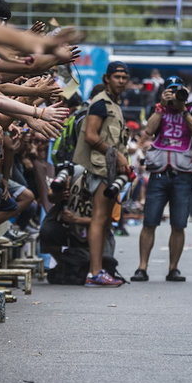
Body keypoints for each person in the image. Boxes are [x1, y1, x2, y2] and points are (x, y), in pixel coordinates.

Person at [132, 76, 192, 282]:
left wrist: (182, 109)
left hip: (183, 174)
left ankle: (173, 268)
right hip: (159, 172)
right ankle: (142, 267)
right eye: (171, 90)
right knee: (149, 222)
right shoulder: (158, 108)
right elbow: (149, 130)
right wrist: (162, 107)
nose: (175, 94)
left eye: (178, 90)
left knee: (179, 224)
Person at [73, 62, 131, 287]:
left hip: (110, 169)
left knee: (104, 220)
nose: (121, 81)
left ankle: (97, 271)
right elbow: (90, 136)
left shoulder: (114, 104)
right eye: (117, 77)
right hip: (100, 168)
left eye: (124, 77)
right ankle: (94, 273)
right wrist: (117, 156)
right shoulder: (100, 104)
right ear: (107, 78)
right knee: (98, 220)